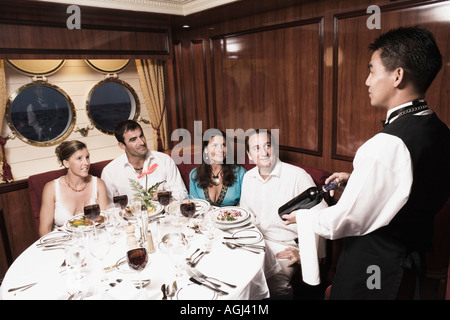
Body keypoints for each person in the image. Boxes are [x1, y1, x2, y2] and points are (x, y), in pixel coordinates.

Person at [282, 27, 450, 299]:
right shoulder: (440, 131)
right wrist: (357, 180)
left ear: (397, 76)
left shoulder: (385, 146)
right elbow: (412, 191)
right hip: (409, 268)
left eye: (372, 70)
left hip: (374, 270)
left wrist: (304, 217)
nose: (367, 81)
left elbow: (344, 221)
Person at [240, 129, 327, 299]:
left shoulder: (297, 176)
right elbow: (247, 216)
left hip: (286, 245)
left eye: (268, 146)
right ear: (249, 155)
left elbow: (322, 216)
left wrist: (305, 255)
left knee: (276, 286)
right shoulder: (248, 177)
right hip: (256, 242)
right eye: (256, 148)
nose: (264, 153)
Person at [101, 120, 186, 204]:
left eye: (141, 136)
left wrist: (168, 196)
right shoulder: (109, 172)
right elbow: (110, 208)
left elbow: (182, 194)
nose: (141, 142)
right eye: (133, 139)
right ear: (122, 145)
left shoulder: (164, 160)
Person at [39, 140, 109, 236]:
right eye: (79, 158)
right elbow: (44, 229)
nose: (86, 163)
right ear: (66, 163)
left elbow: (105, 221)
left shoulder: (98, 184)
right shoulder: (51, 188)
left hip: (95, 239)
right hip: (63, 245)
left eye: (87, 157)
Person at [189, 129, 246, 206]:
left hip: (233, 217)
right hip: (202, 217)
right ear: (206, 149)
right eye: (215, 145)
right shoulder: (194, 174)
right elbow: (193, 205)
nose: (220, 150)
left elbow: (246, 205)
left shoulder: (240, 173)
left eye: (224, 145)